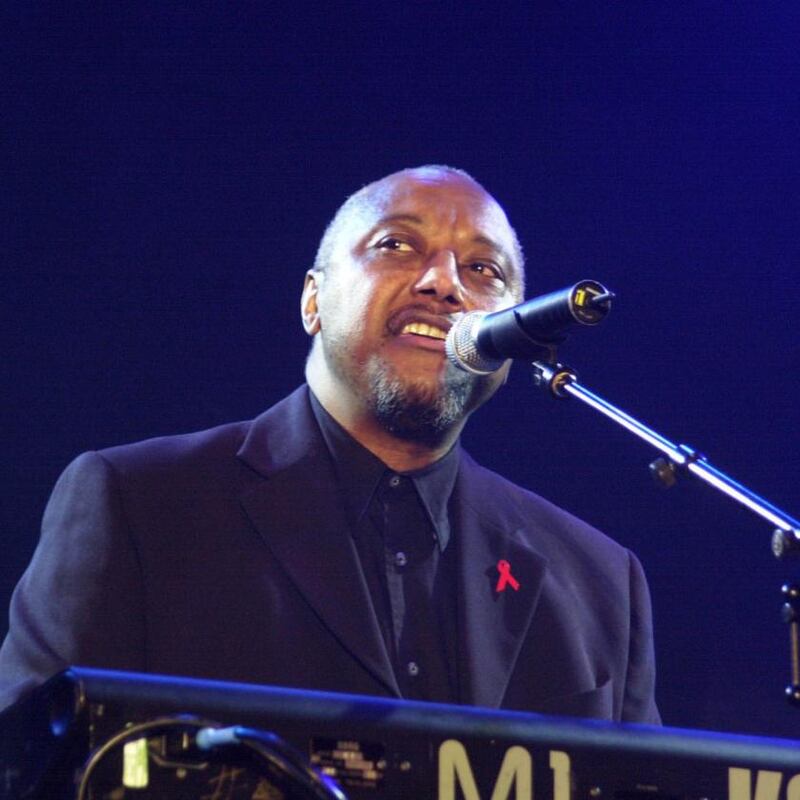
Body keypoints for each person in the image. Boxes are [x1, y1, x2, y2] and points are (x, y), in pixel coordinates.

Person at [0, 166, 660, 723]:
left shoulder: (600, 581)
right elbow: (29, 767)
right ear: (312, 302)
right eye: (397, 245)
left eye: (483, 269)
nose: (444, 283)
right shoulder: (142, 505)